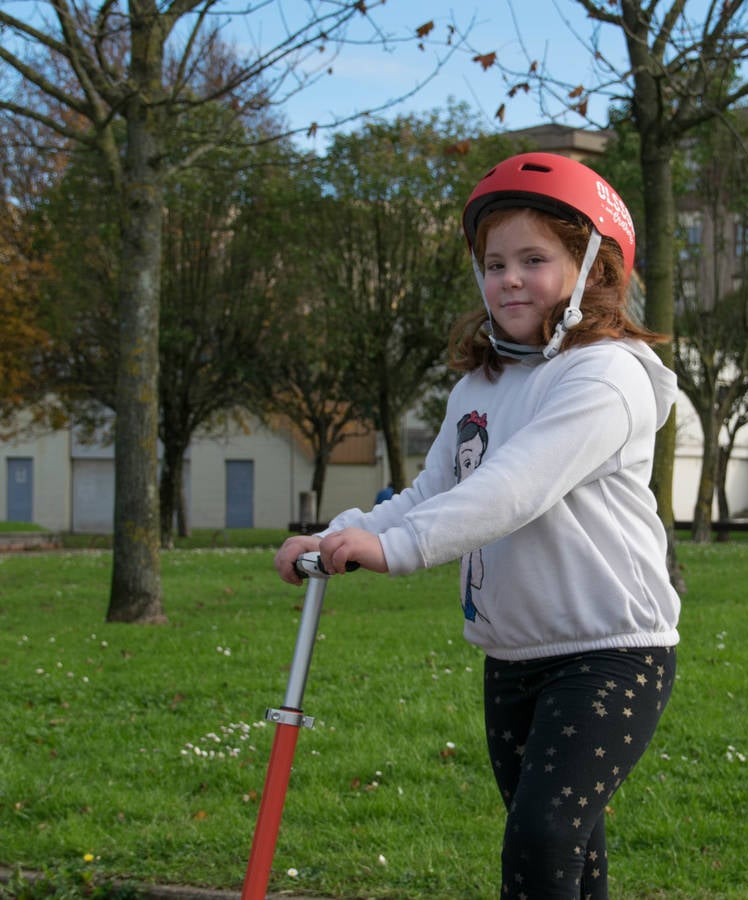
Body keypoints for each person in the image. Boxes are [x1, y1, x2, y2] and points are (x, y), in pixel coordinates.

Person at [274, 151, 681, 899]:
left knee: (542, 838)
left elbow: (512, 489)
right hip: (514, 656)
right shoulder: (482, 382)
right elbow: (436, 488)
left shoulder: (607, 374)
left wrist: (398, 551)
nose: (510, 278)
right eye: (494, 263)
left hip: (610, 652)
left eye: (534, 258)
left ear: (594, 269)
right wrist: (342, 531)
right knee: (568, 852)